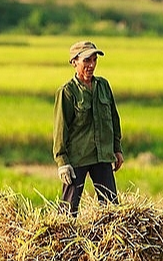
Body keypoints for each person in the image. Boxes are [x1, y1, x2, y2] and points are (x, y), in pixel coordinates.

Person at [52, 40, 124, 217]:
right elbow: (61, 128)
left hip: (102, 156)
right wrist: (62, 162)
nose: (91, 65)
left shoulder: (103, 86)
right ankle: (63, 242)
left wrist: (117, 149)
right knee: (68, 212)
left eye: (94, 60)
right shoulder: (67, 92)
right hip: (78, 157)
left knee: (111, 209)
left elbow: (113, 119)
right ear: (74, 62)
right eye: (86, 61)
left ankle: (110, 243)